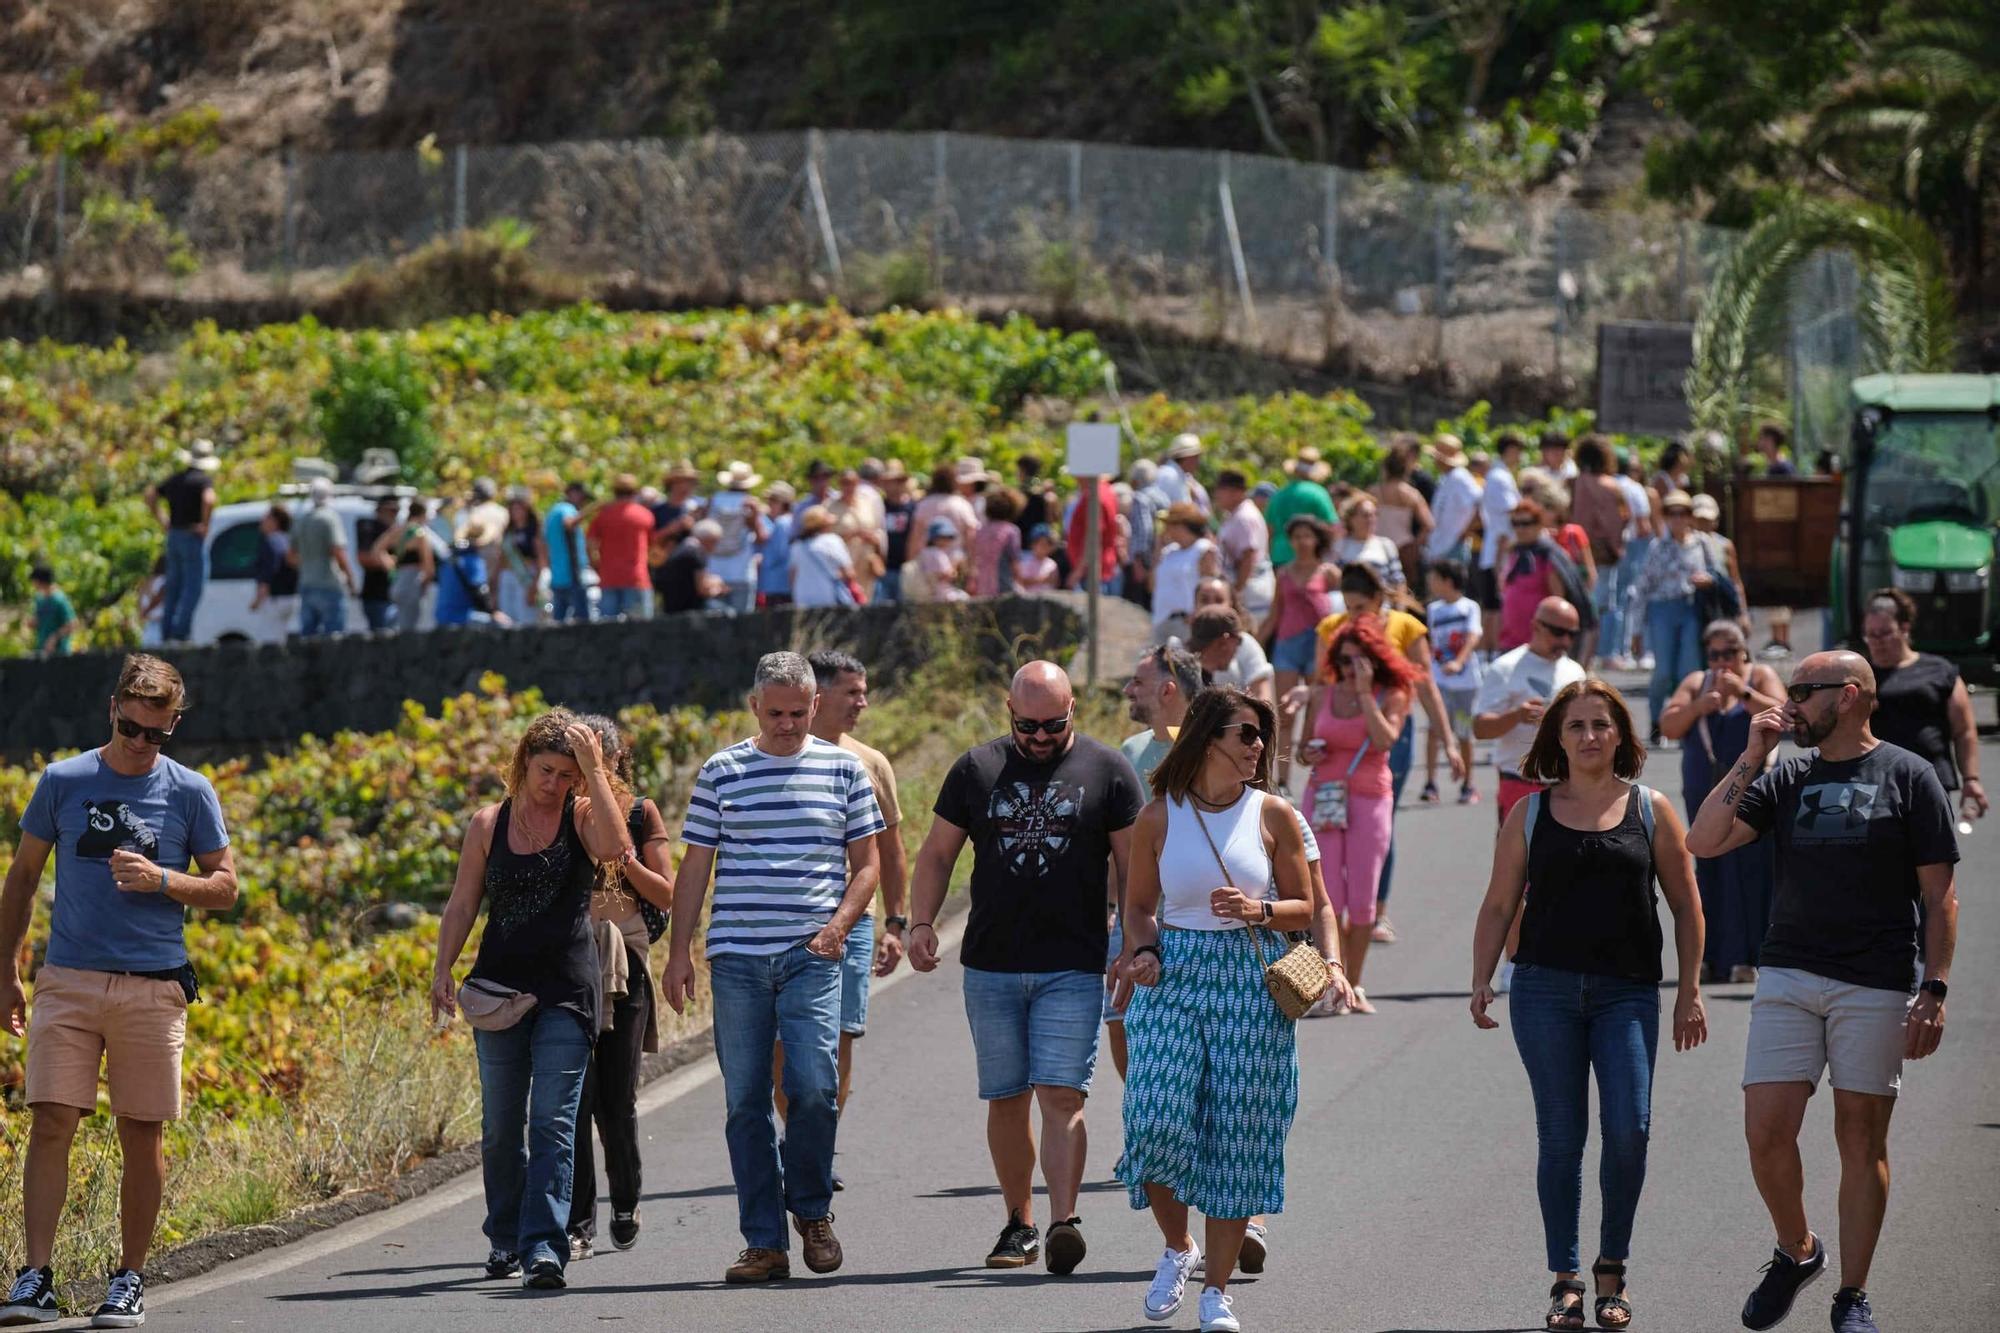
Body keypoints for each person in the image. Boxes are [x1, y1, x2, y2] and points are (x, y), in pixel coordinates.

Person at [1684, 652, 1958, 1333]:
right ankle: (1798, 1249)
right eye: (1795, 689)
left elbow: (1939, 895)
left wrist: (1934, 988)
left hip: (1876, 978)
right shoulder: (1787, 773)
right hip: (1788, 971)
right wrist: (1754, 752)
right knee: (1766, 1131)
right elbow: (1703, 838)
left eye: (1806, 690)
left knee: (1860, 1139)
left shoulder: (1910, 774)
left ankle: (1853, 1295)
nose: (1794, 701)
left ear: (1854, 695)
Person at [0, 655, 235, 1327]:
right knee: (51, 1119)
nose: (140, 744)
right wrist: (7, 970)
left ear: (174, 725)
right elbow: (20, 880)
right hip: (68, 979)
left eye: (155, 734)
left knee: (142, 1132)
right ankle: (34, 1275)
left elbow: (226, 885)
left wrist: (164, 880)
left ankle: (128, 1279)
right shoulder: (63, 779)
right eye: (131, 728)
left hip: (153, 984)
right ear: (113, 709)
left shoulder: (191, 792)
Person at [1470, 679, 1708, 1333]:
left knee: (1630, 1130)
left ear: (1620, 734)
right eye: (1575, 726)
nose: (1589, 736)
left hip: (1626, 992)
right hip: (1544, 989)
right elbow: (1497, 903)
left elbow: (1687, 905)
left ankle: (1612, 1269)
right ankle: (1566, 1280)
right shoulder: (1532, 813)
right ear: (1558, 738)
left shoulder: (1652, 808)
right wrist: (1481, 978)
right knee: (1561, 1137)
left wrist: (1689, 990)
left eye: (1600, 724)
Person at [908, 662, 1144, 1276]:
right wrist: (922, 923)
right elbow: (936, 855)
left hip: (1073, 962)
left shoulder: (1108, 770)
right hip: (991, 965)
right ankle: (1021, 1222)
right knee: (1006, 1097)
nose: (1039, 738)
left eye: (1053, 726)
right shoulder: (976, 769)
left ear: (1074, 712)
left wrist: (1131, 938)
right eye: (1027, 726)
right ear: (1009, 712)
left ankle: (1065, 1221)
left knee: (1062, 1094)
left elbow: (1134, 867)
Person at [662, 652, 884, 1284]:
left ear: (815, 707)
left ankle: (812, 1210)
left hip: (812, 953)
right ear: (755, 706)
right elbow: (696, 867)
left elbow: (866, 864)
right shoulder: (722, 771)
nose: (787, 724)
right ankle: (764, 1241)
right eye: (776, 712)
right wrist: (680, 953)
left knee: (814, 1086)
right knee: (744, 1102)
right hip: (736, 957)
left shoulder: (843, 769)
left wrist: (839, 926)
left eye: (798, 712)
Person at [1112, 685, 1313, 1333]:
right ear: (1207, 738)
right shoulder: (1159, 816)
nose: (1259, 746)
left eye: (1262, 735)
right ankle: (1179, 1248)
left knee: (1236, 1135)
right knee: (1153, 1117)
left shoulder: (1273, 813)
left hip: (1249, 981)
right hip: (1173, 973)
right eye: (1247, 733)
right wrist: (1141, 949)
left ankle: (1217, 1293)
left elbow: (1304, 907)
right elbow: (1138, 905)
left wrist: (1258, 909)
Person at [430, 711, 628, 1291]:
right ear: (523, 764)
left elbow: (616, 849)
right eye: (546, 770)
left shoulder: (584, 814)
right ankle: (506, 1238)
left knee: (552, 1121)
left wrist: (594, 770)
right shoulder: (488, 824)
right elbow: (464, 902)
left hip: (567, 992)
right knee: (499, 1127)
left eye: (567, 774)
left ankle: (546, 1247)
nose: (554, 784)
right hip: (498, 989)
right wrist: (443, 967)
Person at [771, 653, 911, 1194]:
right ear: (817, 697)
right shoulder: (772, 754)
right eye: (852, 692)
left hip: (852, 925)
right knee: (784, 1045)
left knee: (838, 1041)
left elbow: (891, 851)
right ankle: (796, 1138)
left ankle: (817, 1146)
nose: (862, 703)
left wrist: (896, 922)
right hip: (785, 925)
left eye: (865, 691)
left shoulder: (870, 763)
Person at [564, 715, 674, 1260]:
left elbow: (666, 894)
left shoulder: (637, 812)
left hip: (622, 966)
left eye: (593, 764)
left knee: (615, 1099)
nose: (583, 777)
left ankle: (626, 1200)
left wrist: (623, 856)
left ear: (612, 761)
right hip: (565, 967)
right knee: (574, 1100)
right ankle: (576, 1223)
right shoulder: (557, 814)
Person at [1298, 618, 1415, 1012]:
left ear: (1374, 660)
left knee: (1363, 898)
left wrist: (1366, 694)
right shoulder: (1322, 694)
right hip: (1325, 796)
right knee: (1326, 892)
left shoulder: (1392, 694)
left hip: (1369, 798)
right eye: (1344, 660)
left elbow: (1386, 740)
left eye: (1359, 660)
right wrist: (1308, 754)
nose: (1350, 668)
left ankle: (1355, 983)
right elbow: (1301, 749)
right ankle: (1332, 982)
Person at [1659, 620, 1785, 983]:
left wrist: (1742, 695)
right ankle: (1711, 957)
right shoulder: (1697, 682)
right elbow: (1668, 726)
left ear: (1744, 651)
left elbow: (1784, 714)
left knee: (1753, 870)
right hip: (1706, 790)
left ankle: (1754, 957)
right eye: (1715, 654)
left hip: (1753, 791)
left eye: (1730, 653)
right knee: (1710, 870)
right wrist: (1700, 705)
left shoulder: (1759, 675)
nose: (1723, 662)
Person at [1859, 587, 1988, 825]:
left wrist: (1971, 778)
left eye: (1885, 633)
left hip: (1929, 781)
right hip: (1872, 784)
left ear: (1904, 628)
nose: (1877, 642)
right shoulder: (1859, 677)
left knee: (1932, 858)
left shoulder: (1939, 671)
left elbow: (1964, 730)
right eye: (1871, 635)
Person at [1477, 597, 1589, 823]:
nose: (1565, 641)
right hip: (1520, 782)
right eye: (1559, 632)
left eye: (1572, 634)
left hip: (1567, 783)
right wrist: (1517, 715)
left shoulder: (1575, 671)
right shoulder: (1505, 668)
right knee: (1519, 857)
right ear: (1536, 625)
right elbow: (1480, 728)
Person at [1633, 491, 1726, 742]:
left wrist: (1707, 579)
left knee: (1689, 669)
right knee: (1663, 670)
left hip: (1690, 608)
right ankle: (1656, 722)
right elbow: (1642, 588)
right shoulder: (1657, 546)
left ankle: (1688, 725)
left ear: (1690, 517)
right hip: (1662, 609)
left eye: (1682, 512)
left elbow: (1717, 573)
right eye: (1671, 513)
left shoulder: (1702, 543)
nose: (1677, 518)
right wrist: (1636, 630)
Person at [1261, 516, 1342, 726]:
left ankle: (1308, 756)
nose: (1302, 542)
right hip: (1287, 643)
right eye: (1297, 537)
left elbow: (1341, 608)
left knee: (1316, 709)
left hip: (1318, 644)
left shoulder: (1329, 573)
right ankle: (1284, 760)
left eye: (1307, 536)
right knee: (1284, 711)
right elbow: (1274, 614)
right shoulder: (1283, 573)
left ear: (1317, 539)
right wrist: (1257, 642)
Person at [145, 438, 219, 642]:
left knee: (174, 585)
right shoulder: (203, 481)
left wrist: (163, 521)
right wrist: (205, 525)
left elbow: (150, 496)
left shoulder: (176, 479)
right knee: (193, 585)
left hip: (174, 536)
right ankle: (181, 632)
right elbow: (209, 500)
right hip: (191, 535)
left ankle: (167, 632)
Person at [1422, 558, 1482, 804]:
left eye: (1434, 578)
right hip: (1439, 683)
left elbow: (1473, 635)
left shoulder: (1469, 607)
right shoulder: (1433, 609)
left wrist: (1459, 661)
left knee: (1464, 733)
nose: (1431, 583)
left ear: (1447, 581)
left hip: (1465, 684)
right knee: (1434, 731)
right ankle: (1430, 783)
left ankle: (1468, 784)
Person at [1500, 500, 1590, 655]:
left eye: (1526, 523)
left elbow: (1558, 602)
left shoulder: (1548, 554)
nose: (1520, 529)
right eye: (1515, 523)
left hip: (1540, 646)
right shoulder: (1514, 552)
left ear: (1538, 524)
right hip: (1511, 640)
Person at [1476, 432, 1527, 653]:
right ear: (1509, 450)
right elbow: (1511, 512)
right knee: (1495, 607)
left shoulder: (1500, 475)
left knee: (1492, 605)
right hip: (1500, 548)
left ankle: (1489, 652)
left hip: (1497, 547)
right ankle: (1492, 651)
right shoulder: (1499, 477)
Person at [294, 477, 356, 638]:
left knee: (307, 636)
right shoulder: (329, 518)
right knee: (334, 637)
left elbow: (290, 556)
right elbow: (338, 551)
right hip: (329, 584)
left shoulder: (301, 520)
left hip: (306, 583)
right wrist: (350, 580)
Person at [588, 474, 657, 621]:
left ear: (614, 492)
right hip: (636, 578)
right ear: (635, 492)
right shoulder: (644, 515)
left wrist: (598, 568)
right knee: (642, 632)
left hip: (608, 579)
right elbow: (653, 547)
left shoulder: (603, 515)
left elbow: (590, 546)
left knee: (608, 633)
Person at [1151, 503, 1219, 645]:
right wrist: (1158, 546)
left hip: (1187, 622)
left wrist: (1198, 614)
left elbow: (1211, 586)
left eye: (1170, 524)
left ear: (1181, 525)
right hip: (1161, 619)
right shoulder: (1169, 551)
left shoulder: (1204, 549)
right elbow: (1152, 585)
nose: (1166, 529)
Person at [1213, 470, 1274, 622]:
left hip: (1250, 590)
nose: (1217, 496)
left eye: (1221, 491)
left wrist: (1237, 591)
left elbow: (1249, 556)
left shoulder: (1244, 517)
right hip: (1247, 587)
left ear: (1235, 492)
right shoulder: (1235, 514)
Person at [1187, 604, 1274, 708]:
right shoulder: (1184, 686)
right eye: (1238, 640)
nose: (1238, 647)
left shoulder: (1181, 675)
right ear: (1224, 642)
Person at [1265, 448, 1337, 569]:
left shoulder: (1279, 495)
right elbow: (1331, 527)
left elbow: (1269, 530)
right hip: (1310, 557)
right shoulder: (1319, 493)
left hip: (1279, 557)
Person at [1372, 446, 1434, 584]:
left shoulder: (1372, 492)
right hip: (1404, 547)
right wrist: (1416, 545)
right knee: (1405, 588)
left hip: (1377, 544)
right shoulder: (1410, 493)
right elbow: (1429, 524)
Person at [434, 518, 508, 627]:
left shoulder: (447, 560)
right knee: (504, 626)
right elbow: (480, 591)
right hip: (463, 617)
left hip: (441, 617)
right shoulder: (473, 560)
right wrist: (493, 613)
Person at [1424, 433, 1481, 566]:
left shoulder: (1460, 477)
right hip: (1443, 546)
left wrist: (1463, 534)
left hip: (1452, 547)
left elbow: (1479, 505)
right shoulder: (1446, 478)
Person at [385, 498, 440, 631]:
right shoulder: (419, 533)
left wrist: (390, 567)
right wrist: (425, 584)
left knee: (399, 622)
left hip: (397, 581)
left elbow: (377, 549)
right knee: (409, 630)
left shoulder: (397, 530)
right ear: (423, 514)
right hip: (412, 582)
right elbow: (429, 567)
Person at [788, 507, 859, 609]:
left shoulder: (797, 546)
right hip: (828, 598)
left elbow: (792, 577)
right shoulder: (833, 541)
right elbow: (849, 573)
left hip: (802, 599)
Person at [247, 506, 300, 641]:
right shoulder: (287, 540)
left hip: (276, 600)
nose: (262, 521)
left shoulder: (270, 542)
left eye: (266, 517)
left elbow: (269, 571)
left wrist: (258, 600)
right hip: (293, 598)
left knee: (270, 642)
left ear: (275, 521)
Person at [1066, 474, 1123, 595]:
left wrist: (1078, 572)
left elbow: (1094, 536)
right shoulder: (1107, 490)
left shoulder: (1093, 496)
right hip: (1106, 568)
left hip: (1094, 574)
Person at [544, 481, 593, 623]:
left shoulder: (552, 511)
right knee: (582, 622)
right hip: (572, 576)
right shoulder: (567, 509)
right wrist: (594, 508)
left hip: (557, 576)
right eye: (582, 498)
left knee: (558, 622)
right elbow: (569, 523)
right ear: (573, 494)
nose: (583, 503)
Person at [1334, 494, 1405, 587]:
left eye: (1374, 515)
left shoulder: (1386, 545)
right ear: (1351, 519)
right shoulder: (1339, 546)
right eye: (1365, 515)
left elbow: (1398, 581)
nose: (1371, 519)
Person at [499, 487, 546, 626]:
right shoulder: (508, 531)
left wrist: (534, 587)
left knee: (525, 618)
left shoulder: (534, 530)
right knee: (507, 618)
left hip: (526, 577)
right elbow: (502, 557)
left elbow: (541, 559)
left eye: (519, 508)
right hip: (508, 575)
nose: (516, 512)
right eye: (513, 508)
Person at [658, 519, 727, 615]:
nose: (715, 547)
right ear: (708, 540)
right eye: (715, 542)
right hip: (689, 611)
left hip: (671, 608)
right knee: (728, 612)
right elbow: (702, 589)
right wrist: (718, 588)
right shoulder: (697, 553)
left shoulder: (680, 549)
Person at [355, 494, 400, 631]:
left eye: (396, 511)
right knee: (381, 640)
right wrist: (387, 562)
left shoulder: (395, 531)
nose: (394, 515)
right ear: (380, 510)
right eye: (391, 510)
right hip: (377, 596)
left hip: (392, 595)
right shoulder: (370, 529)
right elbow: (363, 558)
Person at [972, 488, 1024, 598]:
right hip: (1003, 584)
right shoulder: (1011, 531)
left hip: (981, 585)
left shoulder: (980, 531)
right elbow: (1014, 561)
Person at [913, 463, 978, 551]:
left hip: (928, 560)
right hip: (956, 560)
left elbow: (916, 536)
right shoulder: (962, 504)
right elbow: (970, 536)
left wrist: (911, 558)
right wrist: (971, 561)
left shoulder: (924, 504)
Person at [876, 463, 917, 602]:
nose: (887, 486)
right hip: (884, 569)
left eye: (891, 482)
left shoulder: (913, 507)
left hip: (906, 569)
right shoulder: (879, 507)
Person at [903, 517, 969, 604]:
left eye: (949, 537)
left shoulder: (925, 552)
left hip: (927, 595)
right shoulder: (937, 554)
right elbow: (947, 575)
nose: (947, 541)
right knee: (964, 598)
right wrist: (956, 564)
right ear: (934, 538)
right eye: (943, 537)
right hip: (941, 596)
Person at [755, 481, 798, 609]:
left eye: (773, 500)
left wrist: (760, 561)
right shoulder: (791, 521)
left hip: (778, 586)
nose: (769, 505)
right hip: (785, 585)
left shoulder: (782, 522)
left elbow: (780, 554)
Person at [28, 564, 76, 659]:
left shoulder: (59, 599)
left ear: (40, 581)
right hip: (42, 651)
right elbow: (40, 620)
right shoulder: (39, 599)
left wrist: (54, 637)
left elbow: (72, 624)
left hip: (59, 654)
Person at [1156, 433, 1211, 513]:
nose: (1198, 462)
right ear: (1188, 457)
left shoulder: (1177, 475)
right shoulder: (1170, 476)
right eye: (1196, 457)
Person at [1016, 524, 1061, 590]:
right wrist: (1042, 580)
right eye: (1042, 544)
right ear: (1033, 544)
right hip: (1027, 598)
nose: (1045, 547)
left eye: (1049, 544)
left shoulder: (1052, 564)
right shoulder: (1024, 559)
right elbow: (1020, 580)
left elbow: (1055, 583)